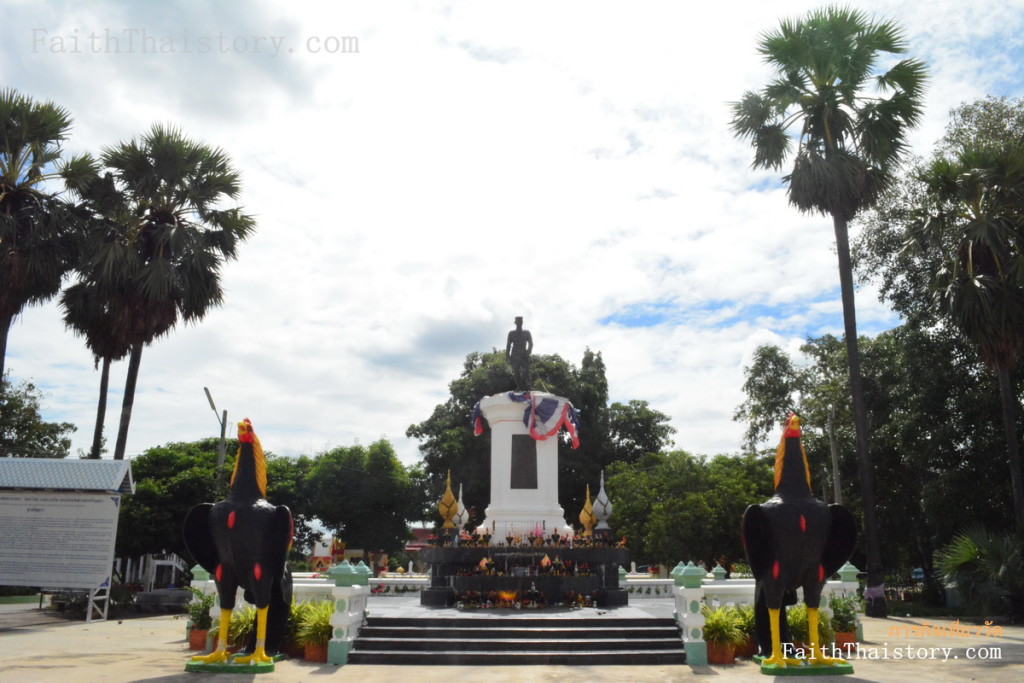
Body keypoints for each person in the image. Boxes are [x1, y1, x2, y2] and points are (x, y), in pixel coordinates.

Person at [506, 316, 533, 390]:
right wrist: (507, 357)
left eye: (520, 322)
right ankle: (519, 387)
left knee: (527, 371)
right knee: (516, 372)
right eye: (517, 322)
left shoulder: (526, 333)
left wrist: (528, 352)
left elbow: (530, 343)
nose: (519, 323)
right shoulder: (511, 333)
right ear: (515, 323)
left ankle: (528, 387)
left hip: (524, 355)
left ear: (522, 322)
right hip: (514, 355)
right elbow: (508, 345)